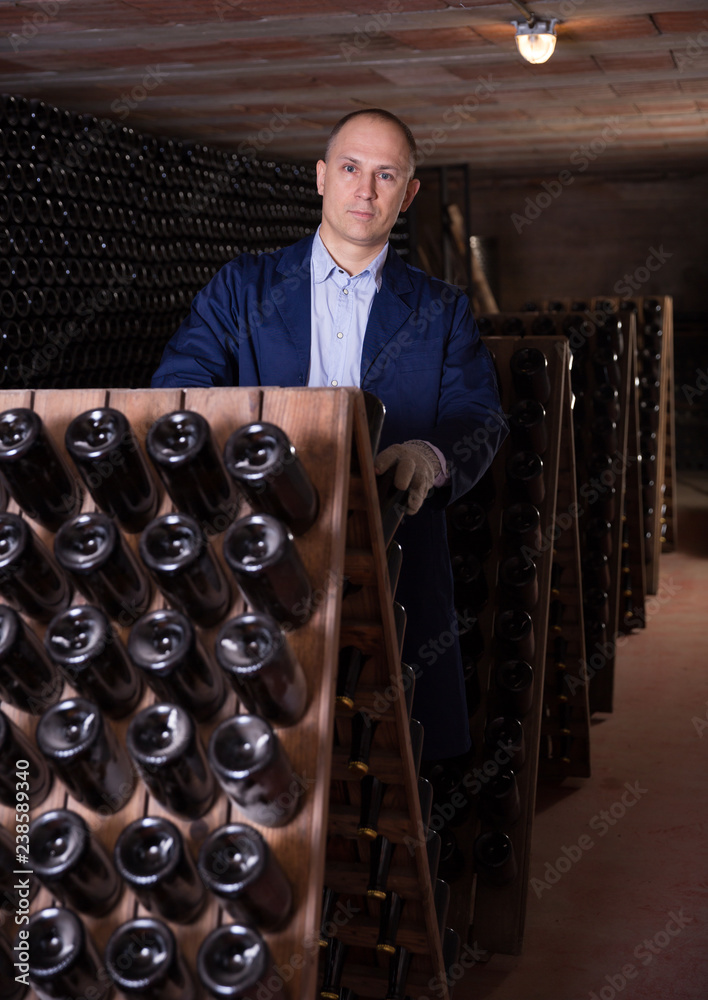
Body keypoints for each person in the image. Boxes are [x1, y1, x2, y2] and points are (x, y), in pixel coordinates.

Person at [152, 108, 507, 762]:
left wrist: (426, 456)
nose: (365, 191)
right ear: (321, 177)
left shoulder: (442, 309)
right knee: (259, 748)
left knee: (401, 757)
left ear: (408, 193)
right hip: (256, 550)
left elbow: (478, 415)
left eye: (385, 175)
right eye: (350, 168)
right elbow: (178, 388)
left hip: (394, 547)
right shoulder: (242, 287)